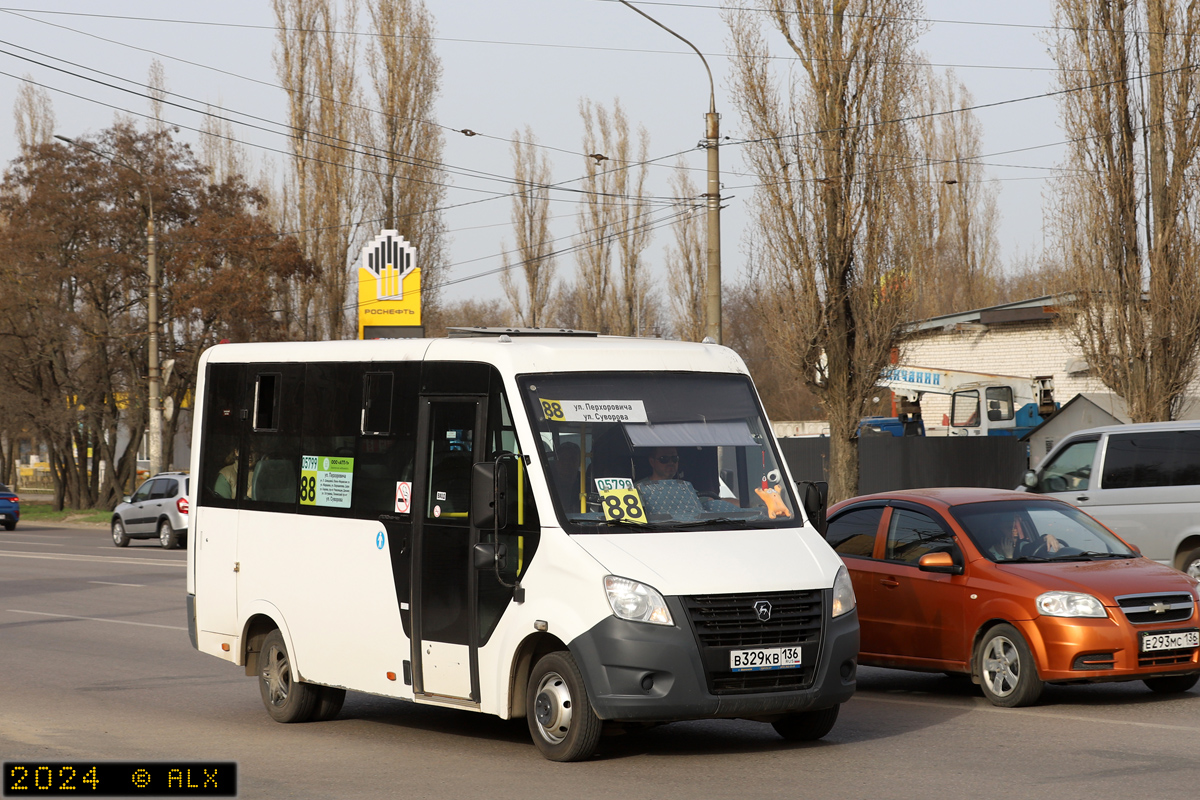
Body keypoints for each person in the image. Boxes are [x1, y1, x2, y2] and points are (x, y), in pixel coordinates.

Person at [985, 513, 1062, 559]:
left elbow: (1034, 545)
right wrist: (1009, 556)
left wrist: (1048, 537)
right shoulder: (987, 555)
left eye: (1015, 528)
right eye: (1009, 528)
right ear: (997, 531)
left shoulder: (1022, 547)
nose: (1015, 531)